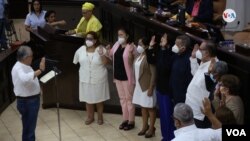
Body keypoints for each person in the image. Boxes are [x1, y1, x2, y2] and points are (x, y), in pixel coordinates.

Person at [73, 31, 110, 125]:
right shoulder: (81, 49)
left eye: (90, 39)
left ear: (95, 40)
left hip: (99, 78)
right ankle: (90, 117)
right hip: (85, 78)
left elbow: (106, 63)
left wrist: (102, 54)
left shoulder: (101, 48)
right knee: (87, 99)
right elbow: (75, 61)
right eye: (87, 38)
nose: (88, 40)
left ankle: (100, 117)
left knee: (99, 99)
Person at [11, 46, 45, 141]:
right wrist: (40, 70)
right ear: (26, 57)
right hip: (27, 102)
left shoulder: (25, 66)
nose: (32, 58)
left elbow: (30, 79)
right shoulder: (18, 68)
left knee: (30, 128)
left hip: (31, 100)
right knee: (29, 130)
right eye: (31, 56)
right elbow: (25, 79)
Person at [147, 33, 175, 141]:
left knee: (168, 116)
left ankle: (170, 137)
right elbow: (151, 60)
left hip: (168, 90)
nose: (161, 39)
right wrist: (150, 47)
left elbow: (164, 68)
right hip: (160, 88)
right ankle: (165, 136)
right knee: (163, 116)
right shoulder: (161, 51)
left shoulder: (171, 53)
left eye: (164, 38)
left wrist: (163, 49)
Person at [108, 27, 136, 130]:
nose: (119, 37)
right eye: (118, 35)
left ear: (127, 36)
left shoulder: (131, 46)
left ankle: (131, 121)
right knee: (122, 99)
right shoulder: (116, 45)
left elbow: (135, 58)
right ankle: (125, 119)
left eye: (121, 35)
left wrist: (132, 54)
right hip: (117, 76)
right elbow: (110, 54)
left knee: (129, 99)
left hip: (127, 78)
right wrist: (106, 50)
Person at [185, 41, 217, 128]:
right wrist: (193, 58)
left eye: (200, 49)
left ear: (207, 52)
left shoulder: (214, 67)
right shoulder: (204, 61)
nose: (198, 51)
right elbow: (195, 73)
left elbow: (210, 87)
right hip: (192, 108)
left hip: (200, 113)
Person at [132, 37, 157, 138]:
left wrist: (151, 87)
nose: (139, 46)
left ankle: (151, 128)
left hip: (147, 86)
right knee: (143, 107)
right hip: (139, 86)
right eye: (138, 44)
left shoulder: (150, 56)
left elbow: (154, 74)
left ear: (146, 46)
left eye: (141, 44)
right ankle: (144, 126)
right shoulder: (139, 56)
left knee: (150, 108)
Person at [170, 35, 193, 104]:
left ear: (183, 48)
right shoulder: (176, 55)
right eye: (175, 43)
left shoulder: (190, 60)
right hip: (174, 94)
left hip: (184, 97)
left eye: (177, 45)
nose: (174, 46)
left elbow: (189, 80)